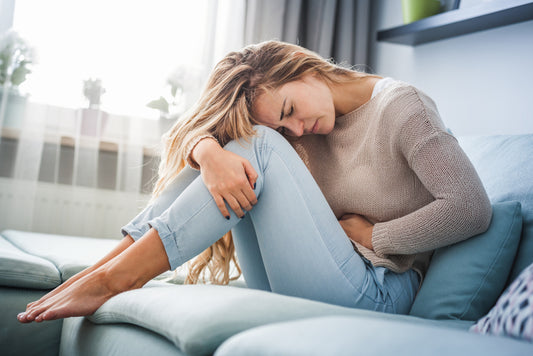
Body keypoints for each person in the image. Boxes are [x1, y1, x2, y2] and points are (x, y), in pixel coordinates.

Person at [17, 40, 492, 323]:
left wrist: (376, 235)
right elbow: (207, 134)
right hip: (317, 276)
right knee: (244, 143)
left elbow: (471, 206)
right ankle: (103, 271)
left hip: (380, 292)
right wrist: (207, 151)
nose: (297, 131)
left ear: (300, 67)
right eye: (286, 126)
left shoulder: (404, 108)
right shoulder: (297, 129)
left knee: (256, 144)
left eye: (288, 111)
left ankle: (116, 278)